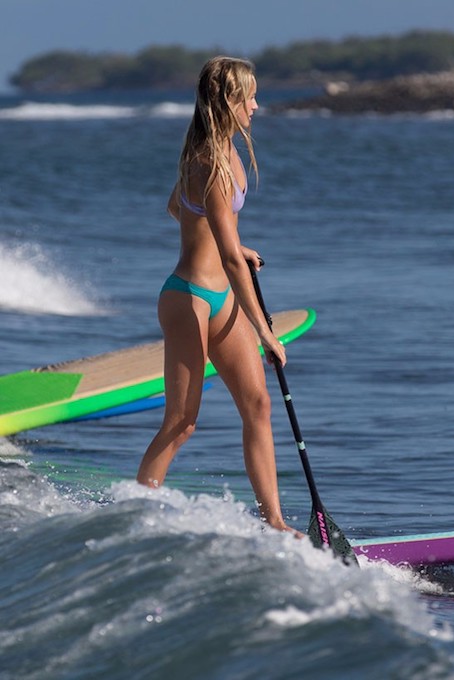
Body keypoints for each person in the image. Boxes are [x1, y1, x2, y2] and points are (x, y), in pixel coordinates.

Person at [137, 56, 294, 533]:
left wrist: (229, 240)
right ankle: (138, 513)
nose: (256, 104)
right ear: (229, 101)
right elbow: (225, 257)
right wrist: (265, 332)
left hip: (220, 297)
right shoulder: (209, 160)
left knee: (259, 405)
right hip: (188, 299)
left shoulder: (222, 152)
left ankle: (276, 523)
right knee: (182, 421)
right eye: (249, 96)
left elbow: (177, 208)